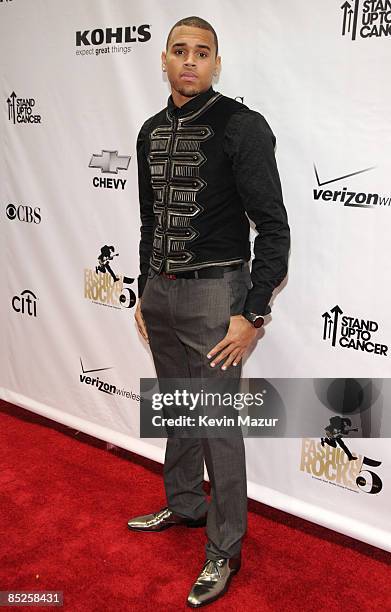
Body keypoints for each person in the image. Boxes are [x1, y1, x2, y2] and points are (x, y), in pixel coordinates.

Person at [128, 15, 290, 608]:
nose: (190, 61)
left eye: (202, 52)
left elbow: (273, 229)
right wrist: (145, 288)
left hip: (218, 296)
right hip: (163, 293)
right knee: (175, 406)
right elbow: (151, 222)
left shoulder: (241, 126)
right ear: (164, 61)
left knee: (219, 424)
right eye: (179, 51)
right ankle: (185, 504)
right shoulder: (148, 131)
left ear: (216, 63)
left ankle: (224, 546)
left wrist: (252, 314)